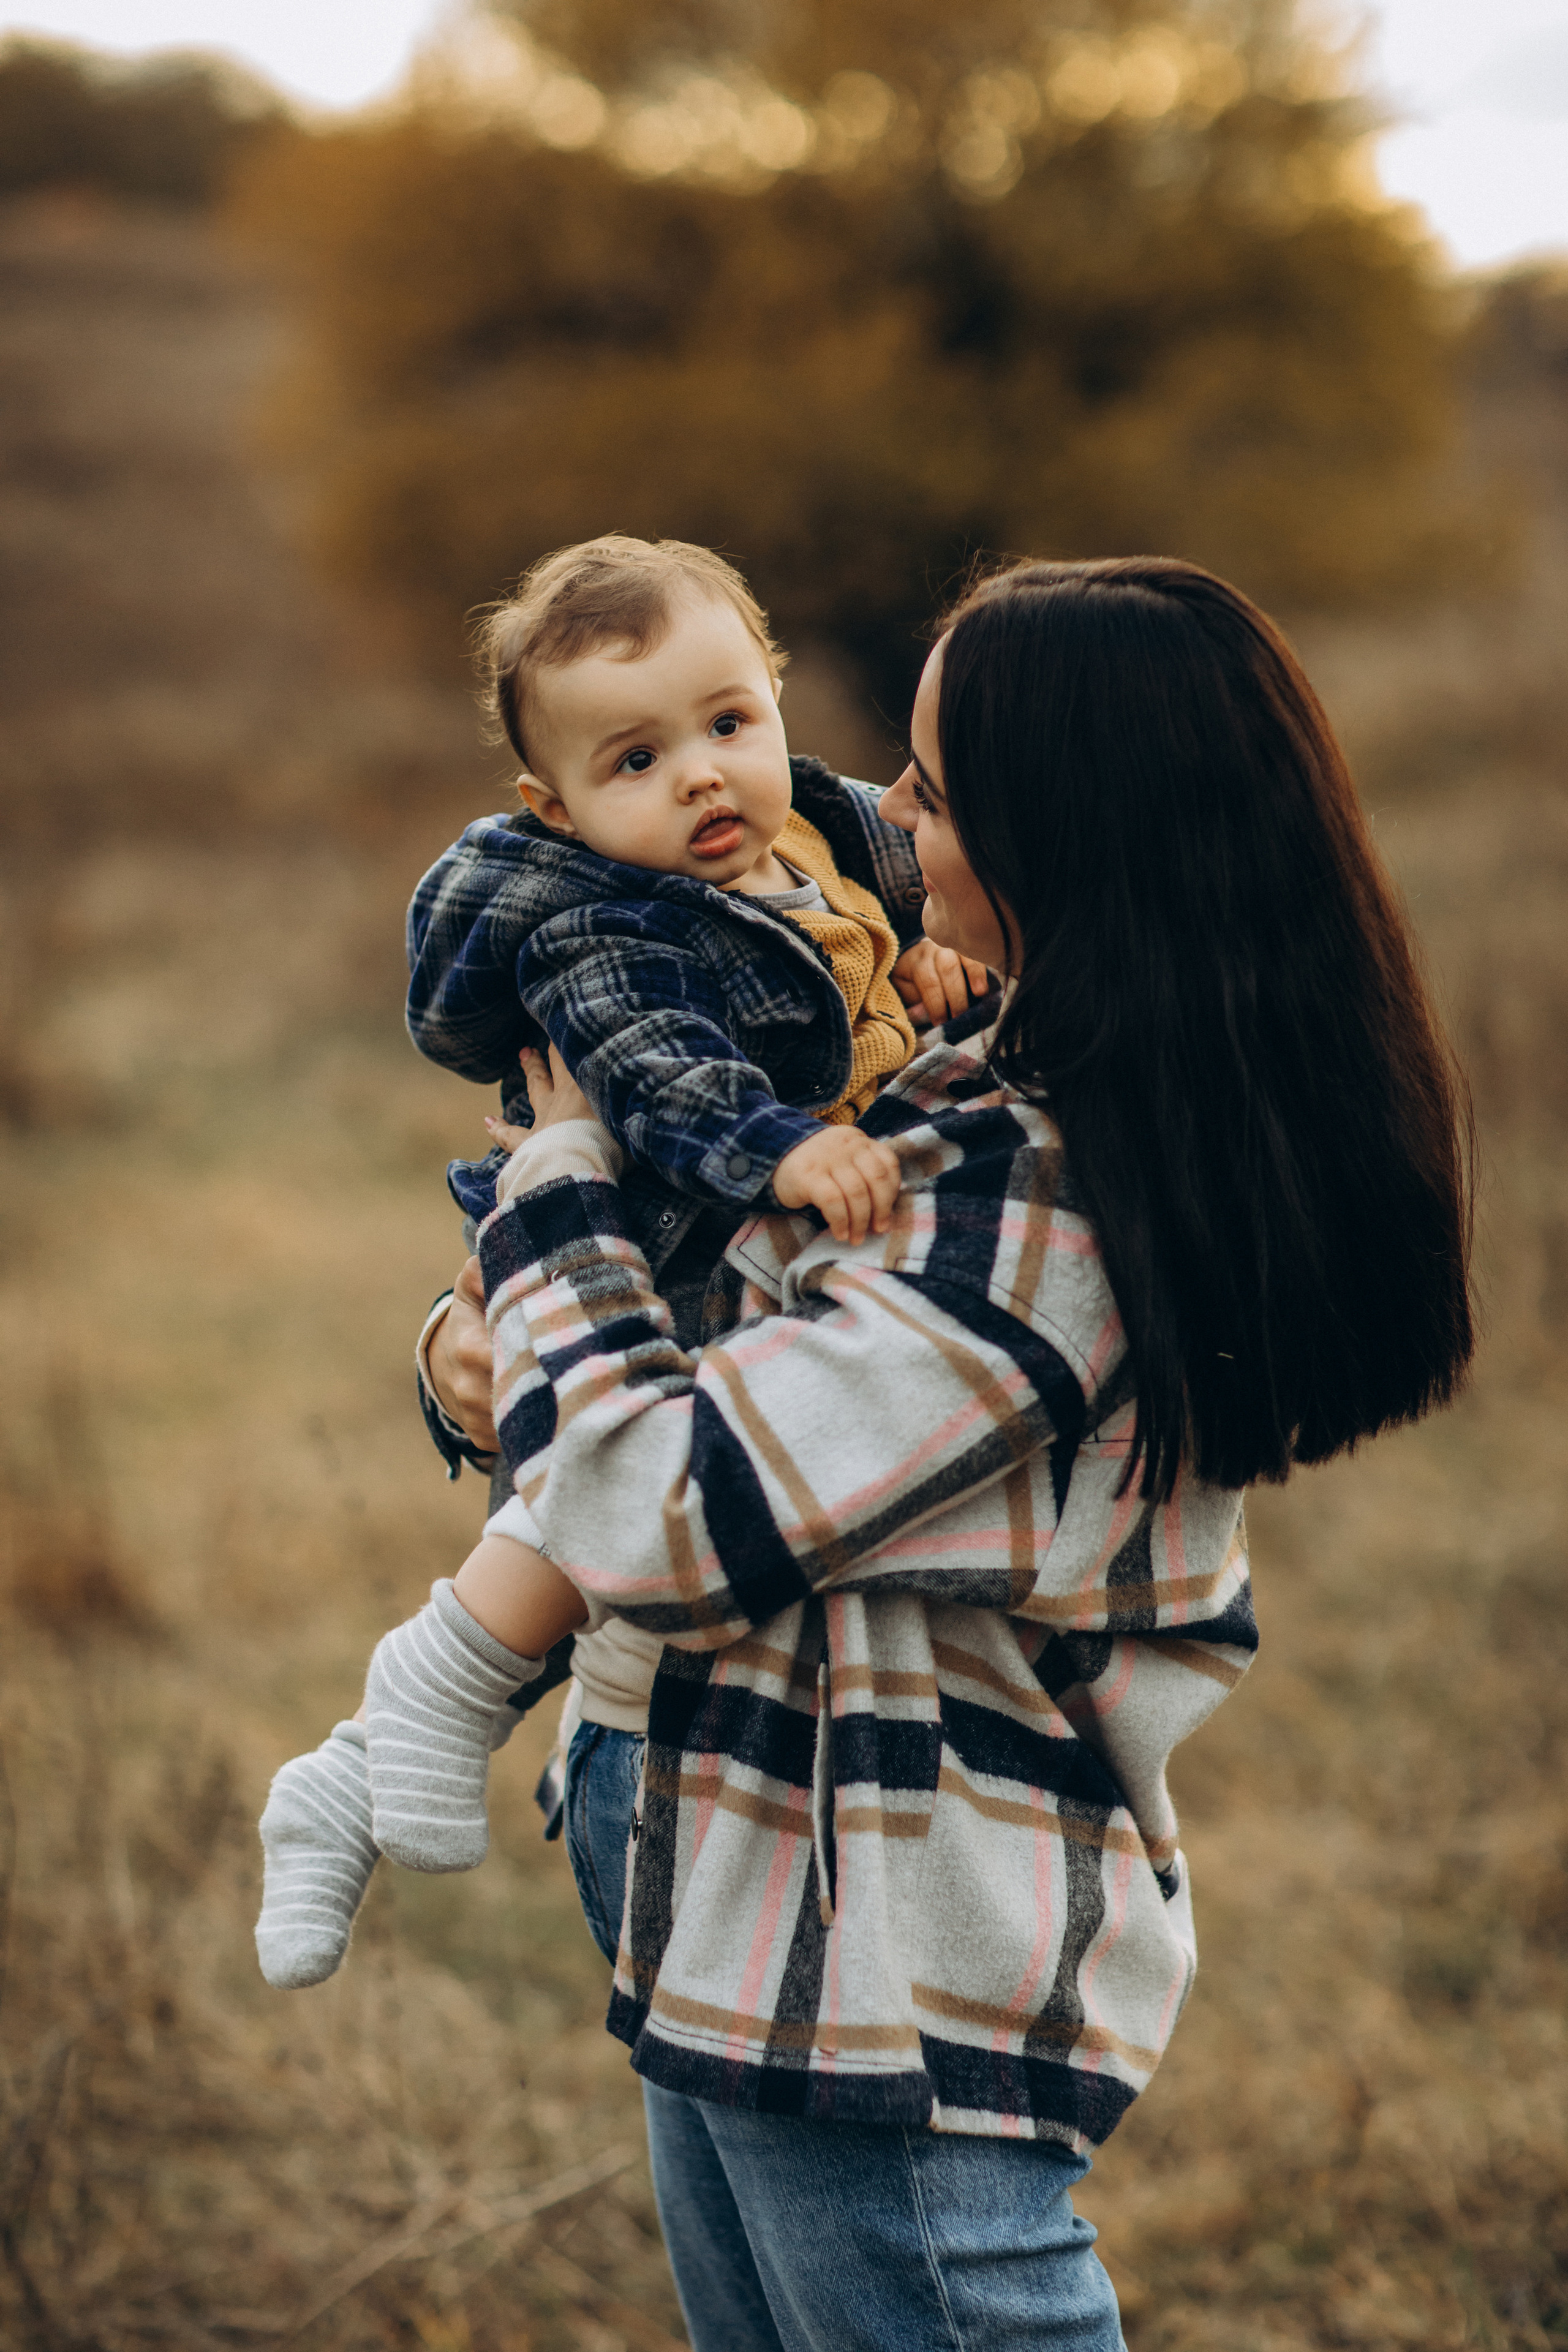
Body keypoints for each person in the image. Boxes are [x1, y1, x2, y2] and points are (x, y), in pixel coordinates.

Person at [428, 556, 1475, 2351]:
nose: (876, 818)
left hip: (876, 1941)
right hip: (748, 1860)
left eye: (921, 786)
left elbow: (651, 1505)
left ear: (1061, 832)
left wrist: (557, 1176)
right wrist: (473, 1348)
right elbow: (698, 1356)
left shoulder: (1039, 1204)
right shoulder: (965, 1070)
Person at [254, 535, 989, 1991]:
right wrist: (778, 1145)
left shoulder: (827, 838)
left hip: (735, 1309)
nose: (703, 778)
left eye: (727, 725)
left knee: (606, 1518)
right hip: (675, 1251)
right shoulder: (605, 921)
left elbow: (887, 935)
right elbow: (657, 1073)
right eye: (636, 760)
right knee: (601, 1504)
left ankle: (354, 1766)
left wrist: (932, 959)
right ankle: (426, 1695)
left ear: (774, 701)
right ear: (559, 808)